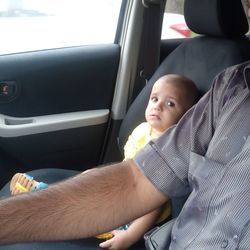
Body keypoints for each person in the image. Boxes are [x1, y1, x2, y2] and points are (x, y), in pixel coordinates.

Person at [7, 74, 199, 250]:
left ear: (186, 116)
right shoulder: (144, 130)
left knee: (89, 208)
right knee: (89, 178)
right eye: (154, 99)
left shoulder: (170, 148)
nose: (157, 106)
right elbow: (128, 165)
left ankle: (45, 198)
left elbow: (153, 204)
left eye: (170, 104)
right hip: (126, 186)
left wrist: (129, 236)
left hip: (140, 207)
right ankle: (49, 194)